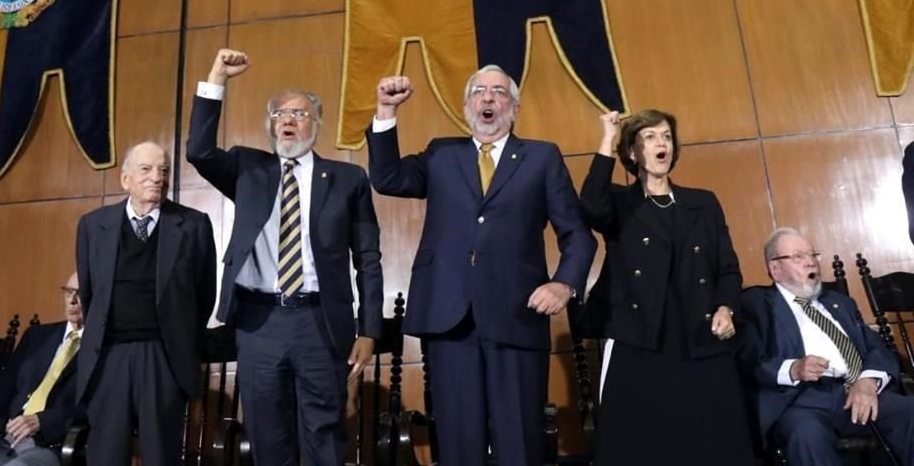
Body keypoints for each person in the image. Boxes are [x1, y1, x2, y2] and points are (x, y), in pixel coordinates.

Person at [366, 67, 596, 466]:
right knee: (457, 443)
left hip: (517, 316)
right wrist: (386, 110)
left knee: (519, 442)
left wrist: (564, 284)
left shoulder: (542, 156)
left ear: (514, 106)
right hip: (449, 318)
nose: (488, 99)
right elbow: (387, 178)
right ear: (466, 105)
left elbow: (578, 234)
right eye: (479, 92)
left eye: (498, 92)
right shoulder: (441, 153)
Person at [186, 49, 383, 466]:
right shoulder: (248, 168)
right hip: (260, 323)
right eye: (279, 114)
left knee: (324, 436)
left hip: (321, 323)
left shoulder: (348, 179)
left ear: (317, 124)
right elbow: (199, 151)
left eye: (299, 114)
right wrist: (216, 76)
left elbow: (368, 259)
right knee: (267, 436)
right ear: (270, 124)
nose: (288, 121)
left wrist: (369, 330)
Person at [580, 109, 756, 465]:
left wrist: (726, 307)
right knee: (642, 445)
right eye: (649, 137)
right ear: (631, 152)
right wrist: (607, 139)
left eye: (666, 137)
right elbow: (590, 207)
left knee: (713, 441)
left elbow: (728, 268)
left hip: (699, 335)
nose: (661, 143)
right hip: (640, 339)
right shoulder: (620, 202)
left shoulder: (703, 203)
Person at [75, 141, 216, 466]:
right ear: (125, 179)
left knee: (160, 455)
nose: (158, 177)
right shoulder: (93, 226)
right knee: (105, 455)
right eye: (147, 169)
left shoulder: (194, 225)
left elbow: (203, 296)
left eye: (164, 170)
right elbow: (89, 294)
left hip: (164, 356)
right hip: (108, 356)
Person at [737, 227, 914, 465]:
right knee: (806, 435)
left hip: (855, 391)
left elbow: (878, 349)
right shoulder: (756, 304)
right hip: (800, 401)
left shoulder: (840, 303)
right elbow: (748, 359)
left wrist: (868, 381)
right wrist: (793, 368)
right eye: (799, 257)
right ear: (775, 269)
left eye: (813, 255)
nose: (811, 263)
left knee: (910, 412)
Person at [0, 273, 84, 466]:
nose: (72, 301)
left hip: (53, 446)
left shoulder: (108, 349)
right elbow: (2, 390)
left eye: (80, 294)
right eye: (68, 292)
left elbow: (100, 407)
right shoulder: (37, 336)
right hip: (4, 440)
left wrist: (43, 421)